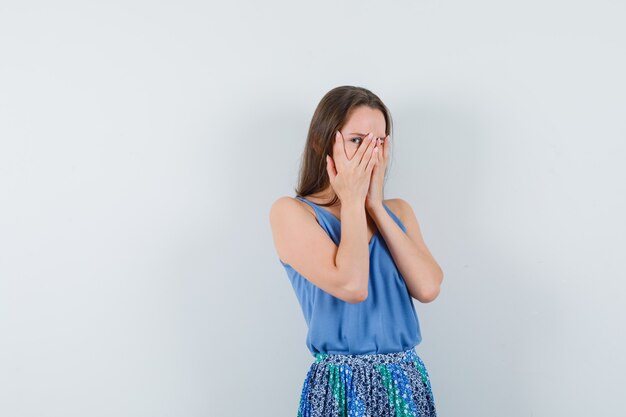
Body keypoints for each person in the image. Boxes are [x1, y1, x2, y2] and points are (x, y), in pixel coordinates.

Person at [269, 85, 443, 417]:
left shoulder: (398, 211)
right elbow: (352, 285)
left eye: (378, 142)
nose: (370, 153)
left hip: (405, 380)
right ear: (323, 144)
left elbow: (428, 287)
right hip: (340, 385)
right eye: (357, 140)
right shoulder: (292, 213)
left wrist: (374, 205)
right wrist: (350, 199)